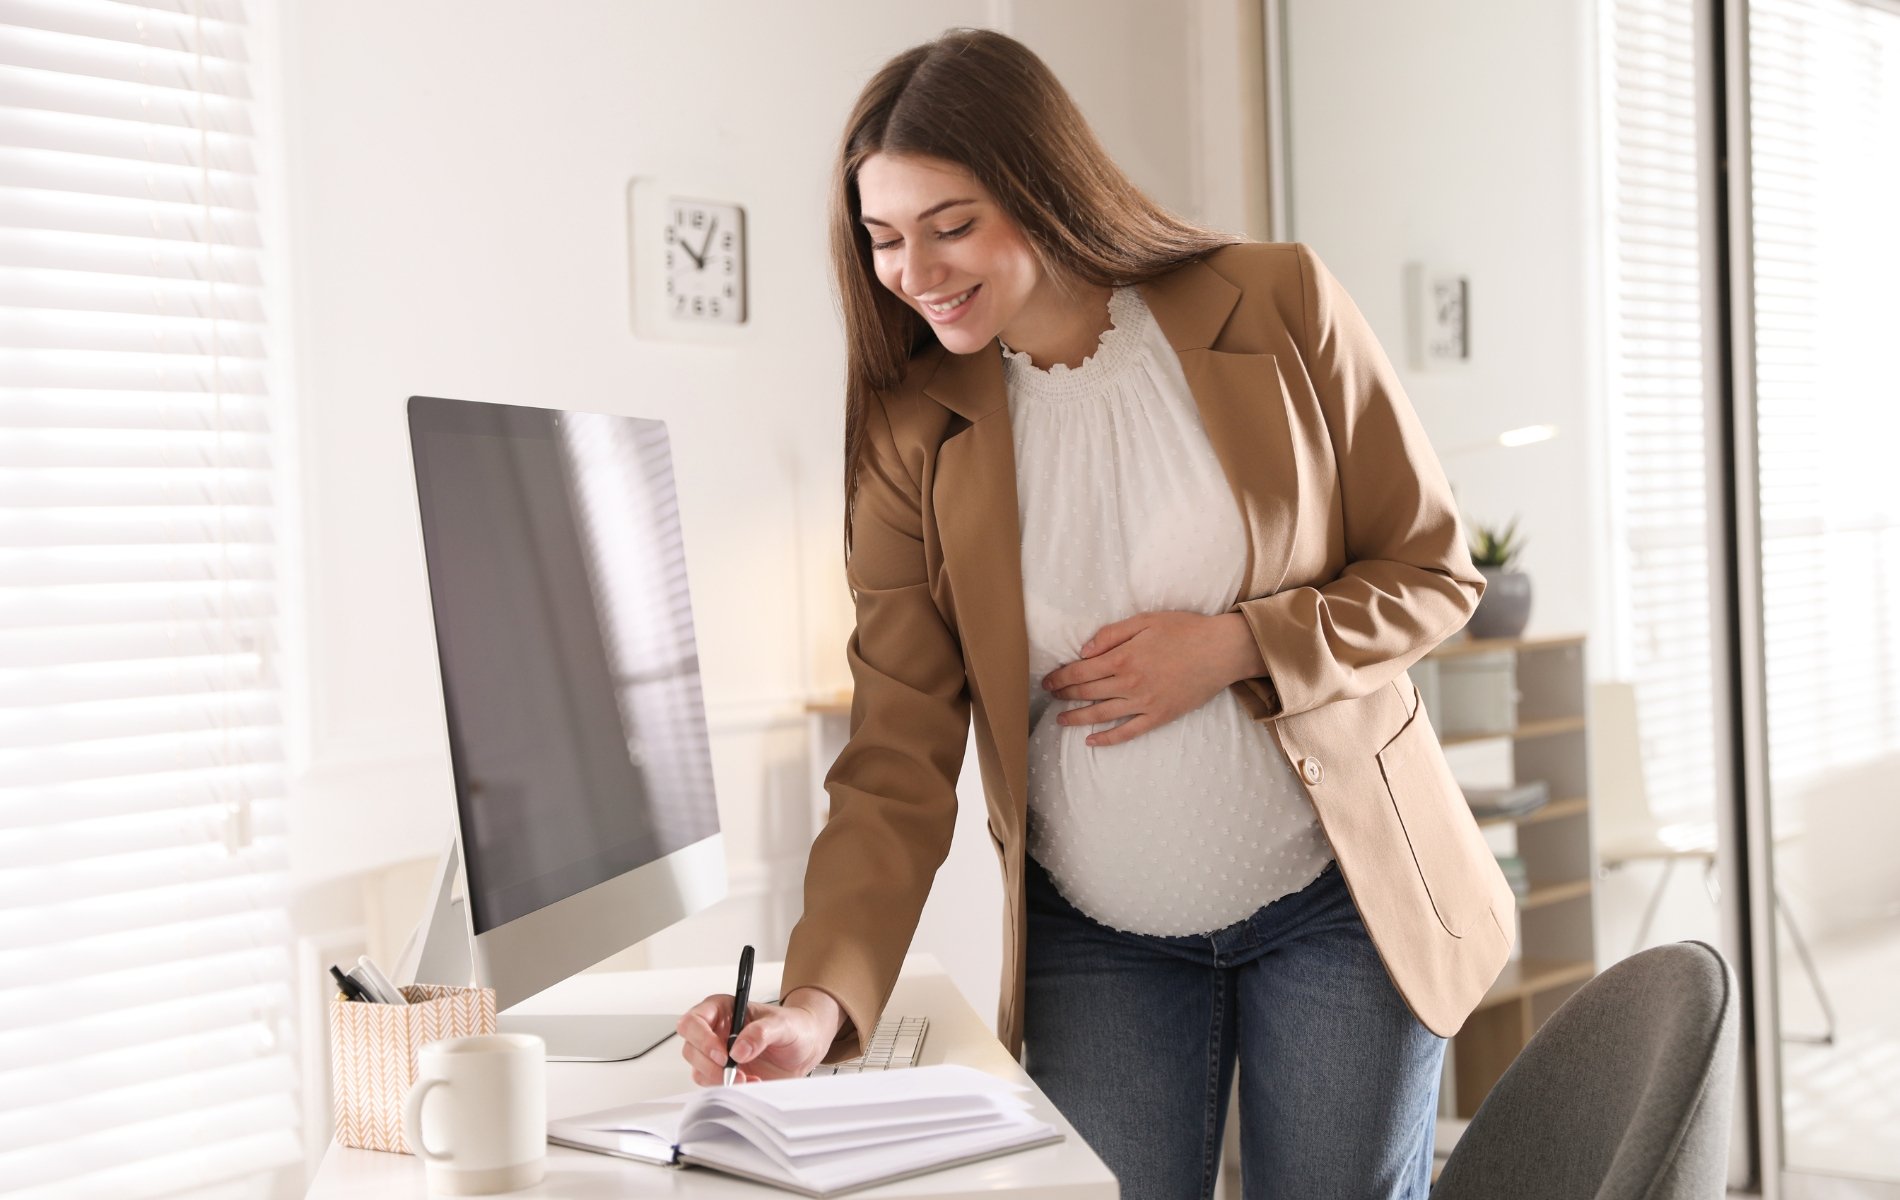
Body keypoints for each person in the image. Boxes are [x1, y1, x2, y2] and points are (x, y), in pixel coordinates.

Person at [676, 27, 1513, 1200]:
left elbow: (1430, 570)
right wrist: (820, 1000)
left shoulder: (1274, 303)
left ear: (1040, 184)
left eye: (949, 224)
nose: (912, 271)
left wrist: (1235, 646)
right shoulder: (909, 434)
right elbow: (895, 755)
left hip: (1341, 906)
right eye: (881, 239)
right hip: (1101, 948)